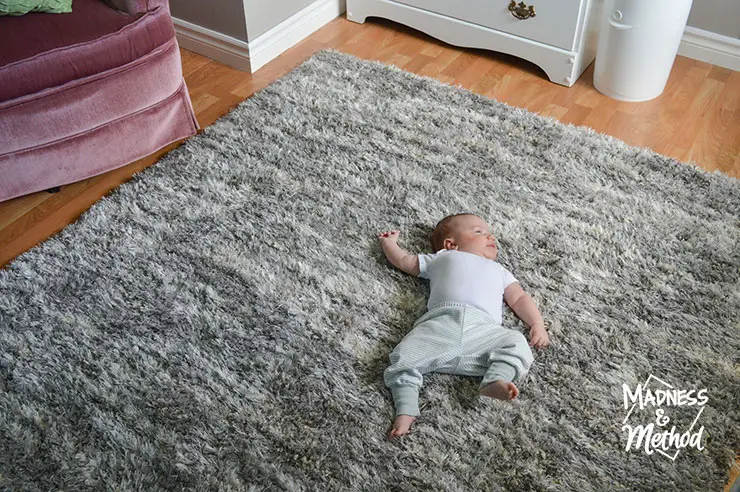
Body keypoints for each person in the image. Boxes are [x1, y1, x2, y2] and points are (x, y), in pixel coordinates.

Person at [377, 213, 550, 439]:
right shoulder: (441, 258)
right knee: (403, 357)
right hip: (441, 322)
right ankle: (406, 408)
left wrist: (537, 323)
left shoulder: (501, 271)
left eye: (489, 233)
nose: (490, 236)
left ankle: (496, 379)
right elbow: (405, 261)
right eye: (479, 232)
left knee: (516, 343)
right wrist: (389, 244)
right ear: (451, 244)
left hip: (483, 330)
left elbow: (518, 299)